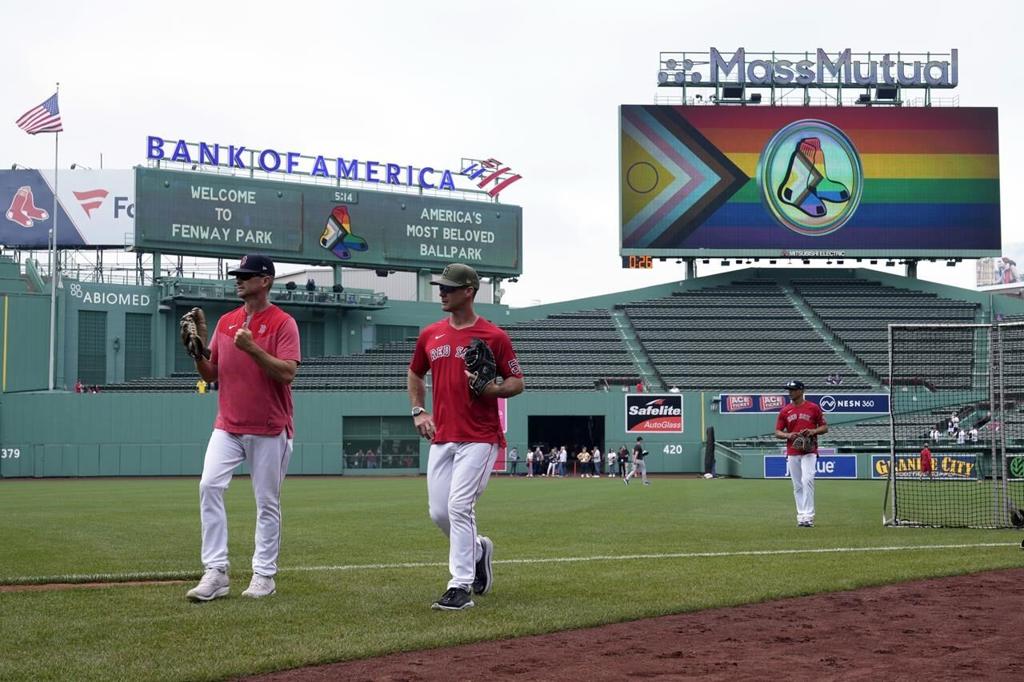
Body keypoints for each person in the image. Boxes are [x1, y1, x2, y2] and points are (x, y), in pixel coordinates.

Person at [407, 263, 524, 611]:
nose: (441, 292)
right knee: (438, 512)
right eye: (441, 287)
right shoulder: (430, 334)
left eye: (449, 287)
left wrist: (494, 388)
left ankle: (460, 586)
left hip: (480, 436)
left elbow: (517, 382)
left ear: (469, 291)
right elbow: (415, 374)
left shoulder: (494, 336)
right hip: (442, 436)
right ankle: (477, 550)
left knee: (459, 506)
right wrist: (418, 410)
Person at [185, 254, 300, 602]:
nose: (239, 279)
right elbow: (212, 373)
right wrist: (196, 353)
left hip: (269, 426)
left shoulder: (283, 323)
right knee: (209, 486)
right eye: (238, 275)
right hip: (229, 424)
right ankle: (216, 572)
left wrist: (252, 348)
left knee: (266, 502)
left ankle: (264, 575)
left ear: (265, 281)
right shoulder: (227, 321)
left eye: (247, 275)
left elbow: (287, 373)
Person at [775, 379, 828, 528]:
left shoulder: (813, 408)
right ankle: (801, 516)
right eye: (789, 390)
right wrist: (788, 435)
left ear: (801, 391)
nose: (790, 392)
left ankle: (809, 516)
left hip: (809, 450)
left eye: (793, 389)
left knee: (808, 480)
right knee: (797, 485)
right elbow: (777, 432)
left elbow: (824, 427)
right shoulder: (785, 411)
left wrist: (813, 431)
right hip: (792, 451)